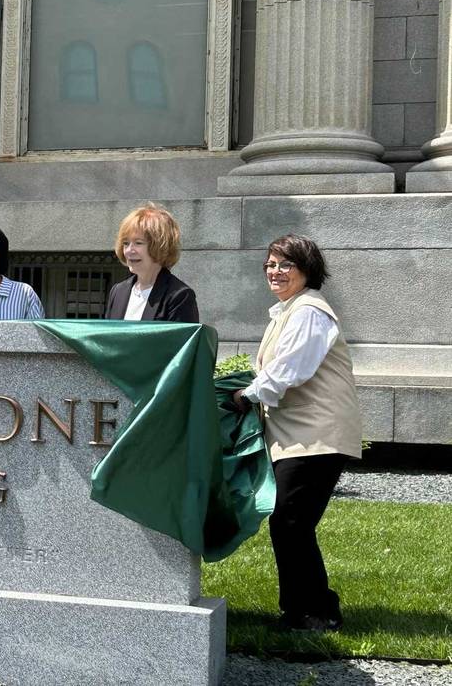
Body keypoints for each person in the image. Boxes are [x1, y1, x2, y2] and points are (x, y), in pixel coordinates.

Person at [231, 234, 361, 632]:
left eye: (285, 264)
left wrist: (244, 395)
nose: (275, 271)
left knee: (290, 519)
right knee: (289, 520)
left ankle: (317, 612)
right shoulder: (289, 310)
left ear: (307, 269)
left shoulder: (309, 311)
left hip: (317, 434)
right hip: (299, 435)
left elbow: (290, 370)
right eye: (270, 264)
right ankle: (301, 610)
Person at [104, 202, 199, 322]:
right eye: (126, 243)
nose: (129, 251)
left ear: (159, 246)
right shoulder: (118, 291)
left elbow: (181, 341)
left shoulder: (180, 296)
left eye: (138, 243)